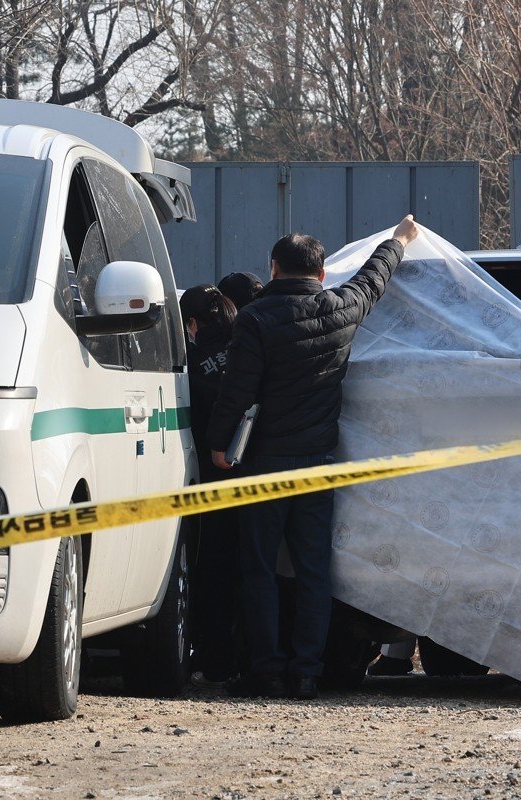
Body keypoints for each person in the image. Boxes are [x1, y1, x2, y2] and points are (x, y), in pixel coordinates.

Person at [207, 214, 421, 700]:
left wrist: (220, 446)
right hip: (318, 464)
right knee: (313, 570)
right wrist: (399, 240)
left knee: (259, 568)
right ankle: (307, 671)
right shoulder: (341, 308)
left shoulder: (255, 320)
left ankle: (265, 670)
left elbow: (236, 391)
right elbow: (374, 278)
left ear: (273, 268)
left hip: (263, 464)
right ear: (322, 274)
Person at [179, 284, 241, 686]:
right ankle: (233, 659)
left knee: (210, 571)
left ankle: (210, 657)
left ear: (191, 324)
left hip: (206, 479)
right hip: (255, 477)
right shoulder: (243, 351)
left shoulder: (190, 364)